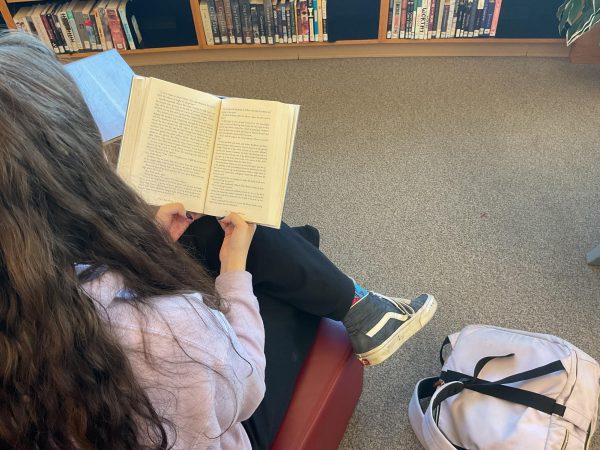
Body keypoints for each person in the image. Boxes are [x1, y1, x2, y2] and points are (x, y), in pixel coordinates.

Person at [0, 31, 436, 450]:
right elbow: (245, 389)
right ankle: (356, 305)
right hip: (224, 423)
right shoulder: (164, 328)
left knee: (209, 228)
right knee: (259, 250)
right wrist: (234, 273)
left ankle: (353, 300)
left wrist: (150, 242)